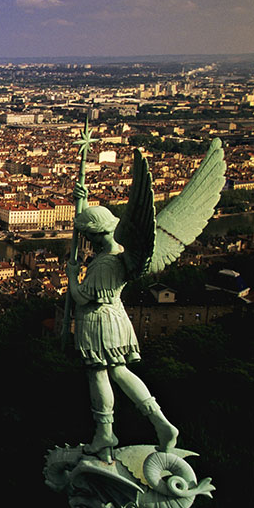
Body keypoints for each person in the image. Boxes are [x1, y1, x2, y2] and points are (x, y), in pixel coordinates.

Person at [70, 182, 178, 462]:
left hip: (97, 321)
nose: (87, 241)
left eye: (88, 236)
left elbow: (82, 297)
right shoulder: (119, 251)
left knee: (98, 374)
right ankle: (160, 422)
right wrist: (81, 203)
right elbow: (89, 228)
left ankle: (105, 431)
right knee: (120, 372)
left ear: (94, 235)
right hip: (116, 317)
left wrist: (71, 274)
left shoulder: (106, 263)